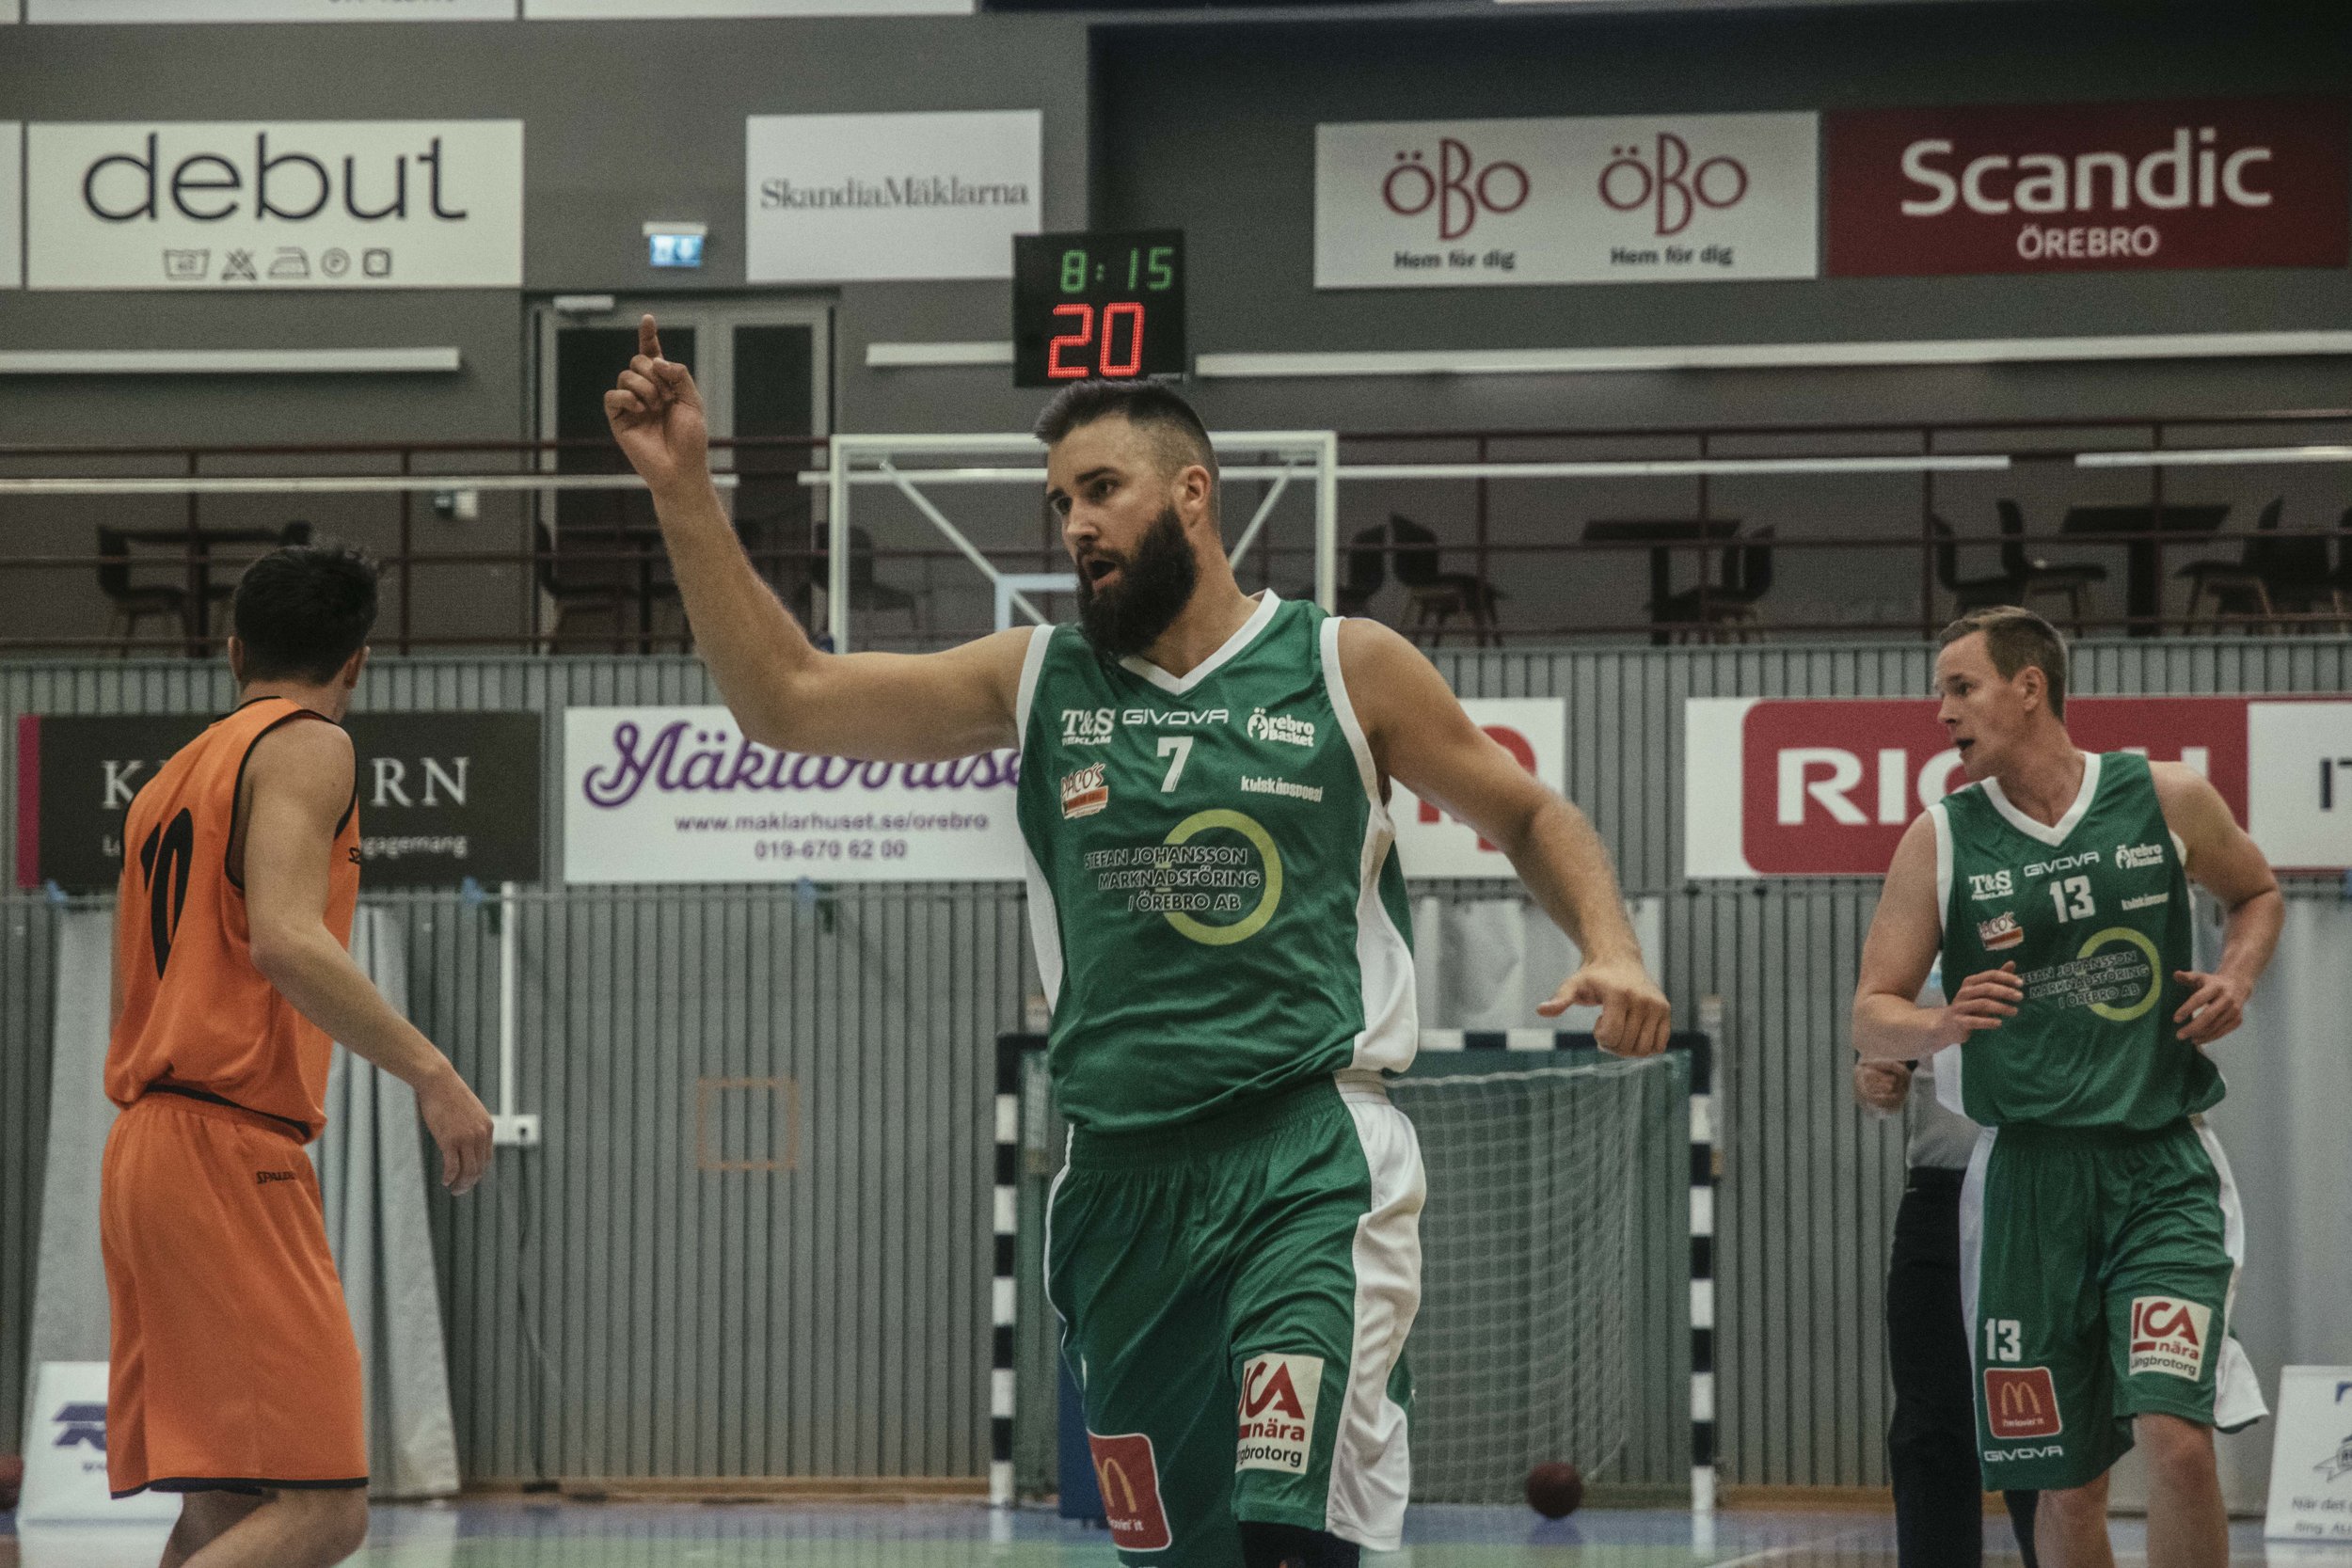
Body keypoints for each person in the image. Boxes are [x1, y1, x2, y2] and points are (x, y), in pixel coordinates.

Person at [605, 318, 1670, 1566]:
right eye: (1061, 502)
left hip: (1308, 1155)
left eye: (1102, 489)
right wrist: (682, 487)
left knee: (1290, 1532)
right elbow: (787, 699)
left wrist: (1612, 942)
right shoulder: (1038, 677)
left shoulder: (1343, 663)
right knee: (1181, 1554)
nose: (1076, 524)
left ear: (1192, 494)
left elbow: (1529, 811)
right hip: (1118, 1180)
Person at [1853, 607, 2280, 1568]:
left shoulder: (2163, 795)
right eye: (1939, 693)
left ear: (2028, 687)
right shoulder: (1941, 837)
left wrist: (2237, 976)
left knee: (2177, 1442)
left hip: (2159, 1165)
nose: (1941, 712)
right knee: (2067, 1481)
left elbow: (2255, 891)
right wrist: (1939, 1025)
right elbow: (1870, 1013)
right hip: (2027, 1183)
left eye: (1960, 688)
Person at [103, 545, 494, 1568]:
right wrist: (433, 1071)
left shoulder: (166, 783)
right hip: (226, 1148)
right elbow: (284, 937)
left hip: (146, 1144)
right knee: (326, 1511)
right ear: (357, 662)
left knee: (226, 1512)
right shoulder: (309, 743)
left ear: (234, 649)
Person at [1854, 1038, 2039, 1568]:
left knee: (2041, 1422)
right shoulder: (1912, 979)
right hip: (1941, 1196)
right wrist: (1873, 1079)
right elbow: (1874, 1059)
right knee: (1930, 1428)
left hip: (2041, 1186)